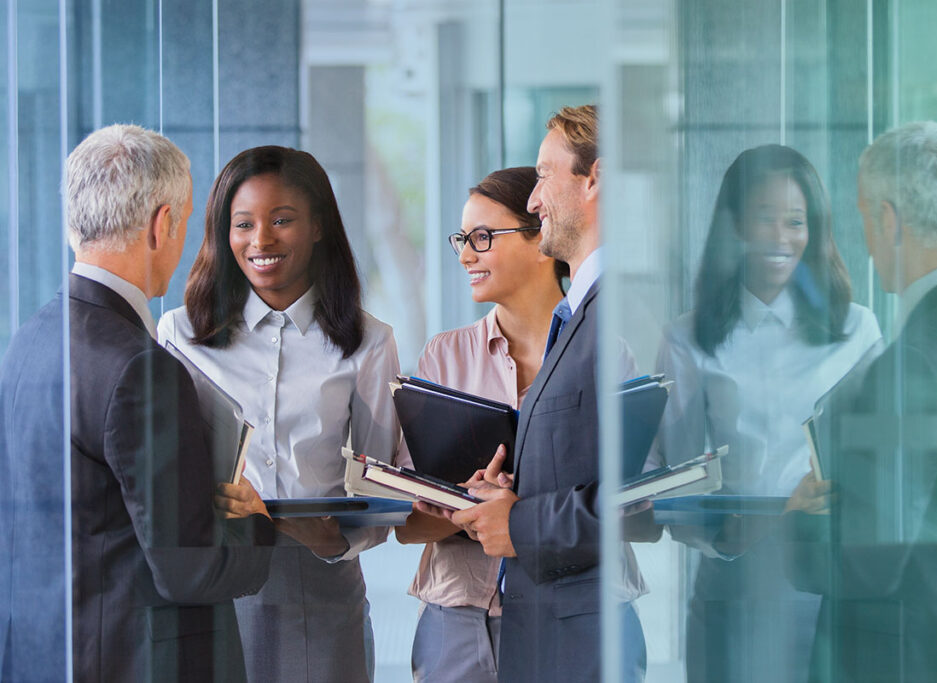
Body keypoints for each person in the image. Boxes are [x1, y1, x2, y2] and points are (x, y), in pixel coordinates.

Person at [0, 124, 275, 683]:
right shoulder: (140, 368)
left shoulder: (28, 340)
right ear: (162, 223)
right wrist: (256, 527)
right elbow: (189, 569)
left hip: (46, 653)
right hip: (135, 662)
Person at [158, 146, 401, 683]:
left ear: (317, 226)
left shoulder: (369, 342)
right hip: (214, 574)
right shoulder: (180, 334)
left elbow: (385, 492)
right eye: (242, 224)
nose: (260, 240)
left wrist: (329, 538)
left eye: (282, 220)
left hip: (319, 582)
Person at [785, 121, 937, 681]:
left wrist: (797, 522)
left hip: (913, 656)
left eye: (864, 216)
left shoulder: (909, 364)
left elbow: (865, 566)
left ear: (889, 219)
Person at [656, 145, 882, 683]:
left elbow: (879, 474)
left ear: (816, 229)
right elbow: (676, 485)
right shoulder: (689, 339)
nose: (781, 238)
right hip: (733, 585)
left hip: (831, 585)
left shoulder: (858, 332)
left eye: (796, 222)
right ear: (734, 226)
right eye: (764, 219)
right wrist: (765, 521)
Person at [437, 105, 647, 682]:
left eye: (545, 174)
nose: (534, 200)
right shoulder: (579, 315)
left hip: (581, 638)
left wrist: (521, 523)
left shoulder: (615, 318)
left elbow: (646, 489)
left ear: (595, 179)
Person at [393, 166, 567, 682]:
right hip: (457, 621)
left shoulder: (602, 353)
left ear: (542, 237)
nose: (466, 254)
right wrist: (463, 508)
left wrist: (523, 511)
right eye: (462, 240)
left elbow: (634, 511)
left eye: (483, 238)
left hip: (570, 611)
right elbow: (407, 522)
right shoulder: (444, 357)